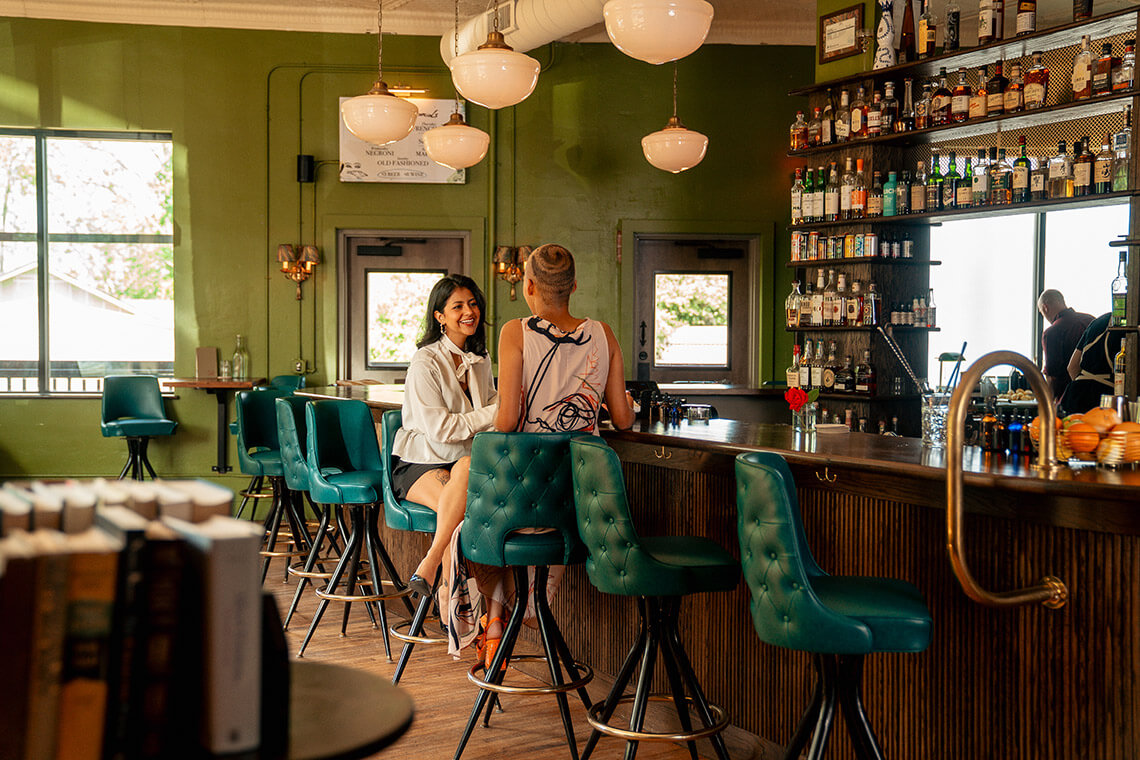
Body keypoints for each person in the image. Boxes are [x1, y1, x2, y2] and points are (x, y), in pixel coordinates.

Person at [439, 243, 635, 664]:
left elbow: (507, 421)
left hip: (523, 500)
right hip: (578, 506)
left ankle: (495, 620)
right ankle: (514, 615)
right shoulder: (604, 333)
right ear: (574, 287)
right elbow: (623, 420)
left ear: (528, 285)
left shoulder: (517, 331)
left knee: (469, 525)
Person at [389, 274, 498, 597]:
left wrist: (499, 408)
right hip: (419, 463)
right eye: (458, 306)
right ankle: (476, 616)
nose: (469, 312)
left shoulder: (481, 358)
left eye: (473, 303)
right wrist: (496, 411)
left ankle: (431, 566)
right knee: (469, 521)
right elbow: (441, 431)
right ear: (439, 317)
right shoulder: (426, 362)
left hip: (464, 465)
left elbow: (490, 408)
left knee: (469, 503)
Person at [1059, 312, 1126, 416]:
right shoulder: (1132, 324)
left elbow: (1072, 367)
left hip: (1076, 394)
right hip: (1106, 400)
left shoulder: (1098, 322)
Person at [1037, 289, 1094, 402]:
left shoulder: (1052, 332)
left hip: (1069, 400)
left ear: (1045, 308)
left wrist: (1046, 404)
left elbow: (1052, 377)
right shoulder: (1091, 320)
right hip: (1097, 395)